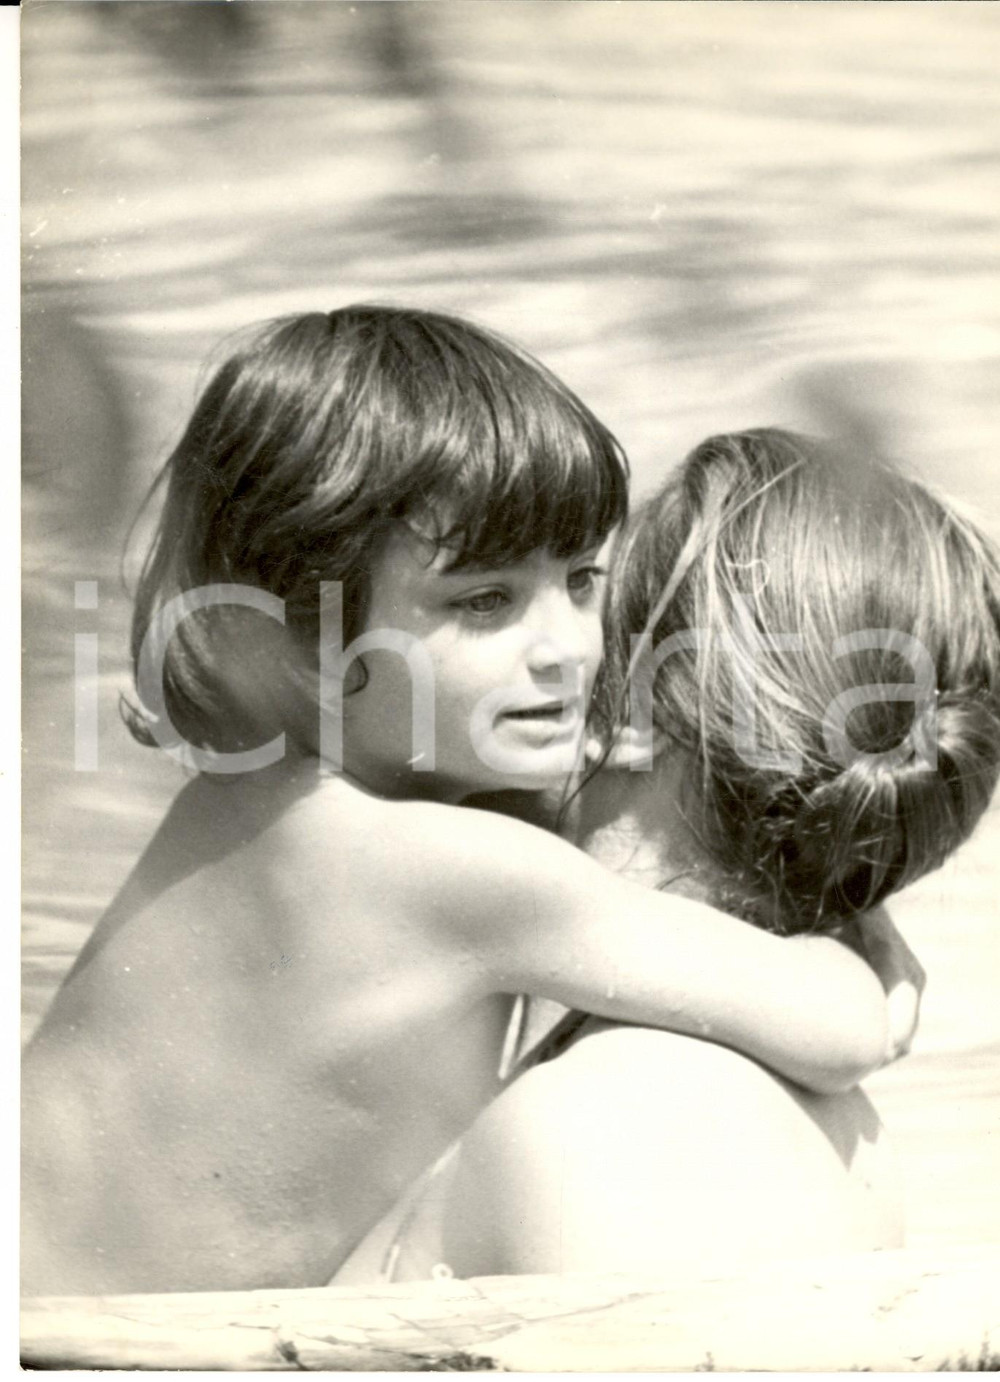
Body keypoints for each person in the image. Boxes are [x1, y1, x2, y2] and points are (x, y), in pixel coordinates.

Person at [22, 319, 906, 1297]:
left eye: (579, 581)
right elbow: (837, 1029)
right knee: (662, 1106)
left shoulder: (268, 800)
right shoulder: (433, 866)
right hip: (128, 1352)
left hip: (48, 1298)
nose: (566, 645)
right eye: (485, 602)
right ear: (304, 637)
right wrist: (863, 948)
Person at [334, 428, 1000, 1283]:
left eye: (585, 592)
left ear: (637, 707)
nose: (557, 646)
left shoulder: (596, 1130)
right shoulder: (848, 1133)